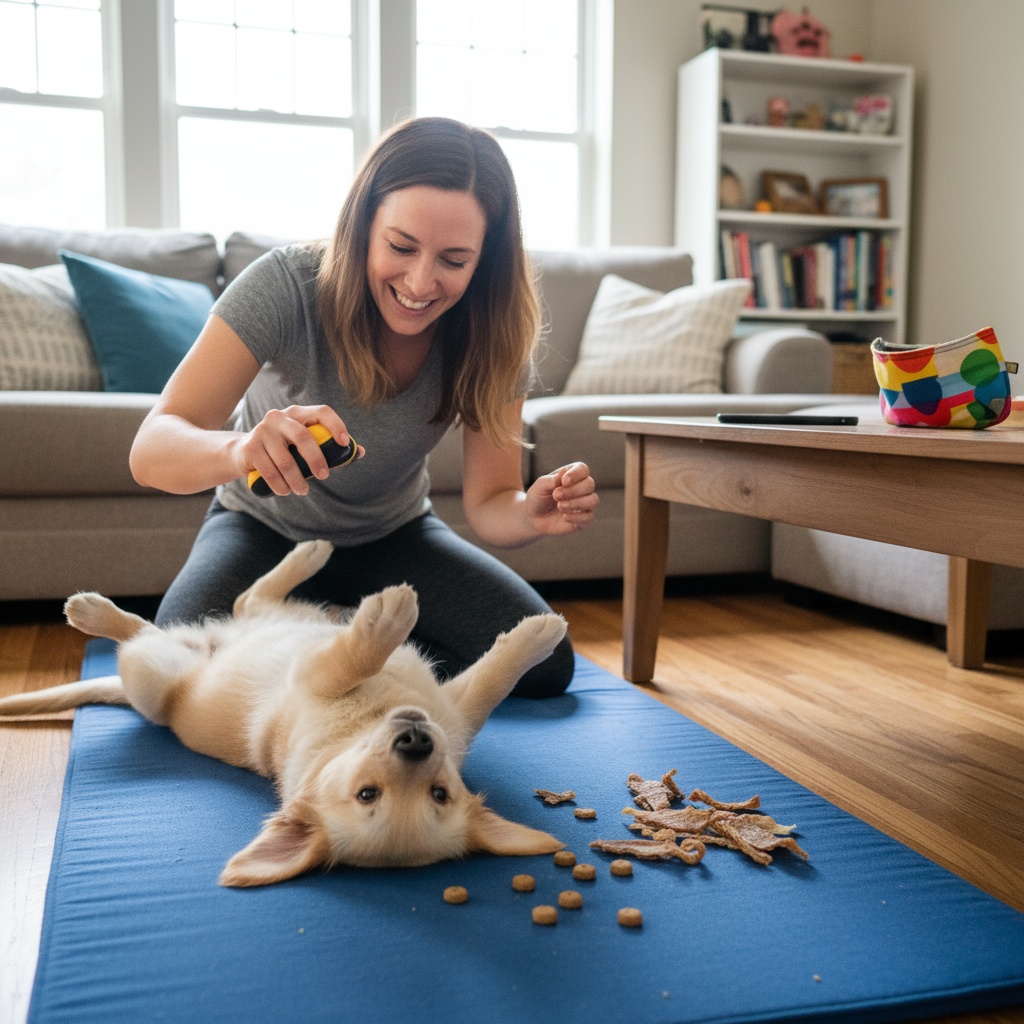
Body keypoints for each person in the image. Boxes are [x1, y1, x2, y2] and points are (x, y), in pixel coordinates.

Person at [129, 116, 599, 698]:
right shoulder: (284, 285)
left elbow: (489, 502)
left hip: (396, 536)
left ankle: (328, 639)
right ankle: (339, 639)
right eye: (401, 247)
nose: (421, 282)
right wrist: (239, 449)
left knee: (545, 665)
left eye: (454, 260)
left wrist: (528, 514)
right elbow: (151, 448)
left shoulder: (493, 333)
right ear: (362, 224)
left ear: (486, 259)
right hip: (263, 530)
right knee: (177, 663)